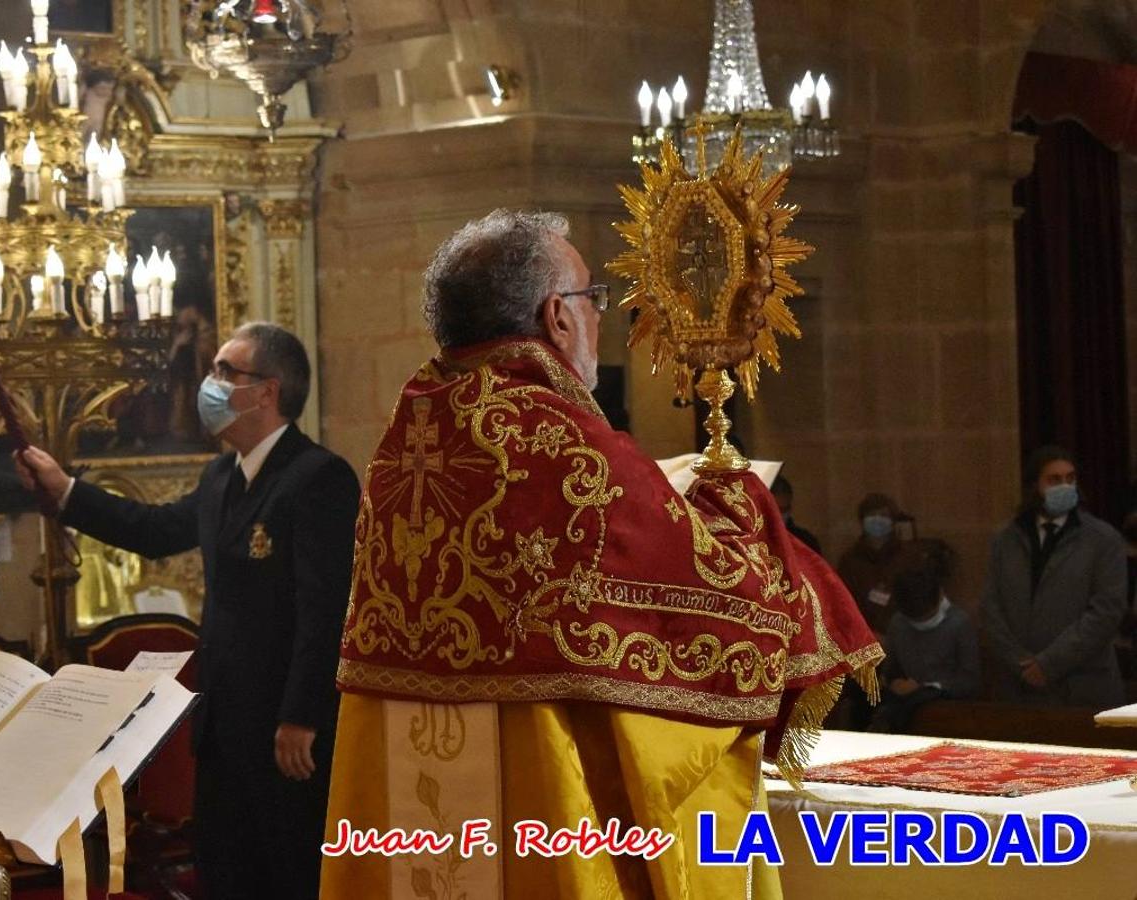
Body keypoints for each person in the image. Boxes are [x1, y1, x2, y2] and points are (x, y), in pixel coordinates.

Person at [322, 210, 880, 898]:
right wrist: (736, 505)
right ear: (557, 316)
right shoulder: (567, 445)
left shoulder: (407, 440)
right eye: (592, 300)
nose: (597, 318)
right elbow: (726, 605)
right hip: (544, 811)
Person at [14, 321, 359, 899]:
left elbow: (324, 608)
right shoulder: (221, 474)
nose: (210, 383)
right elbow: (153, 531)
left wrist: (302, 715)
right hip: (223, 723)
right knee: (225, 871)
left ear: (267, 391)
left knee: (286, 872)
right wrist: (64, 491)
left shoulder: (318, 477)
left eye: (226, 372)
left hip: (283, 727)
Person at [980, 445, 1127, 708]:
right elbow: (991, 606)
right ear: (1035, 485)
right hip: (1018, 685)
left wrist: (1048, 664)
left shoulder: (1102, 539)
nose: (1065, 486)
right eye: (1054, 480)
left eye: (1070, 479)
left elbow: (1106, 610)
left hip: (1082, 685)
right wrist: (1019, 662)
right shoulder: (1006, 539)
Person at [870, 563, 980, 733]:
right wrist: (894, 681)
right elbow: (891, 668)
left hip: (950, 710)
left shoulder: (960, 624)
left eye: (927, 618)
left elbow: (970, 681)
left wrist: (929, 687)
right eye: (914, 621)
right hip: (905, 711)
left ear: (940, 595)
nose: (921, 625)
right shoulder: (898, 624)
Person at [836, 492, 905, 635]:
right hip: (861, 638)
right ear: (862, 521)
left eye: (884, 515)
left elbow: (913, 601)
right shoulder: (849, 560)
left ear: (893, 522)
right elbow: (843, 603)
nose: (877, 519)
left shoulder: (907, 557)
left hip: (900, 638)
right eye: (872, 515)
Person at [771, 473, 823, 555]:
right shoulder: (751, 542)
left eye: (785, 509)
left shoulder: (805, 541)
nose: (782, 515)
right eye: (777, 510)